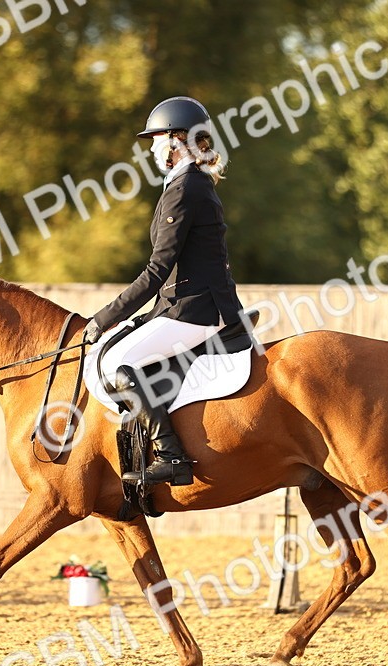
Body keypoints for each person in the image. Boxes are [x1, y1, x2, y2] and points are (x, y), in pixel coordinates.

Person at [83, 96, 246, 486]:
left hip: (199, 310)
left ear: (176, 140)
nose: (153, 149)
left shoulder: (186, 187)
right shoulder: (184, 185)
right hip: (184, 304)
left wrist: (103, 318)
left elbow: (157, 270)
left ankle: (171, 456)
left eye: (157, 140)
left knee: (117, 364)